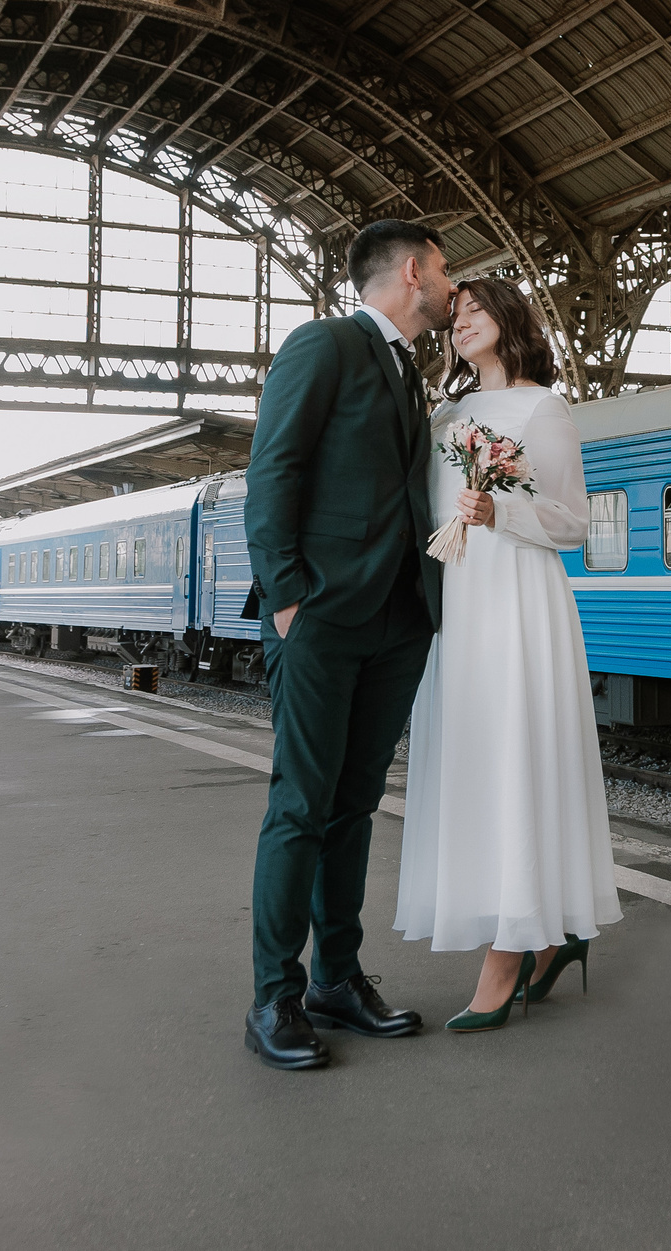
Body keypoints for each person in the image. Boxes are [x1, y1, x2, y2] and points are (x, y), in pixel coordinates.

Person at [239, 219, 453, 1072]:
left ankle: (335, 976)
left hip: (398, 621)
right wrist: (288, 595)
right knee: (300, 804)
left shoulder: (414, 373)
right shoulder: (323, 345)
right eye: (442, 268)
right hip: (323, 616)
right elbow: (274, 469)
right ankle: (273, 996)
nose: (448, 282)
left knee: (354, 806)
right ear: (410, 272)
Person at [394, 275, 621, 1031]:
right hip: (461, 598)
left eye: (475, 309)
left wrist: (502, 507)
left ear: (508, 318)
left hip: (520, 596)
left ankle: (509, 945)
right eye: (454, 315)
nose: (461, 323)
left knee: (513, 755)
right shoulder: (448, 413)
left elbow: (574, 521)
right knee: (474, 760)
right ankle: (544, 932)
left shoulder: (542, 407)